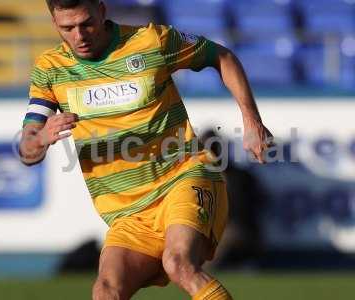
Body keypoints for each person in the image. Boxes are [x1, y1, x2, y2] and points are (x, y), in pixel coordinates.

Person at [19, 0, 273, 299]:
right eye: (68, 28)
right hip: (127, 211)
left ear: (102, 11)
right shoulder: (50, 70)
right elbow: (27, 149)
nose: (80, 35)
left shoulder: (152, 41)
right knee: (106, 290)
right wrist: (41, 139)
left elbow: (221, 56)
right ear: (54, 24)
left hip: (182, 177)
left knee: (178, 263)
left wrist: (252, 120)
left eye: (86, 23)